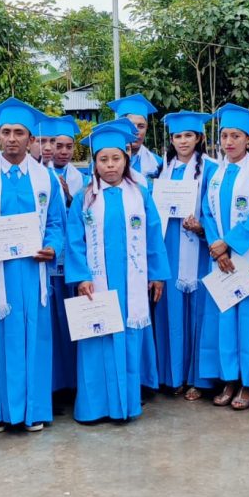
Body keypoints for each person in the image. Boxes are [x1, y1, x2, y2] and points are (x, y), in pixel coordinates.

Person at [0, 97, 66, 433]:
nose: (9, 138)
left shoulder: (45, 178)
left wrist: (52, 247)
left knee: (34, 338)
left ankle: (33, 410)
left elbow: (55, 224)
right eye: (4, 131)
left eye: (18, 132)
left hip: (31, 271)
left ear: (30, 139)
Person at [65, 121, 169, 423]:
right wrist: (82, 276)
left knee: (128, 337)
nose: (110, 166)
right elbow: (74, 241)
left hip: (131, 282)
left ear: (126, 158)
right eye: (103, 159)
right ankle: (95, 407)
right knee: (97, 338)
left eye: (116, 159)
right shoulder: (85, 198)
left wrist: (157, 274)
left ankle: (126, 404)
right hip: (97, 283)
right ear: (94, 163)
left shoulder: (139, 194)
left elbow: (152, 234)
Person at [199, 103, 249, 410]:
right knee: (225, 317)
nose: (228, 142)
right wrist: (217, 245)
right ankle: (229, 378)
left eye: (236, 136)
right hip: (220, 257)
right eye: (224, 135)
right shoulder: (215, 172)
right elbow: (206, 210)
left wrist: (229, 243)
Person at [151, 111, 218, 399]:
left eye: (188, 135)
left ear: (199, 138)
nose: (182, 141)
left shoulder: (212, 170)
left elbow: (217, 208)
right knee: (172, 312)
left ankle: (199, 379)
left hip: (200, 249)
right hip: (169, 247)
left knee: (200, 312)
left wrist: (203, 227)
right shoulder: (161, 171)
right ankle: (173, 375)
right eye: (177, 136)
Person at [38, 117, 84, 401]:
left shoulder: (83, 179)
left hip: (71, 259)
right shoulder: (38, 176)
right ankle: (52, 383)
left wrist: (68, 197)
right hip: (44, 258)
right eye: (57, 144)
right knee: (50, 324)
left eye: (68, 146)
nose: (63, 151)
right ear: (48, 145)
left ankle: (72, 382)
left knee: (70, 320)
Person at [106, 93, 162, 182]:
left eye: (141, 126)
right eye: (130, 125)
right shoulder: (103, 161)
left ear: (146, 128)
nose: (136, 131)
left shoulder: (158, 163)